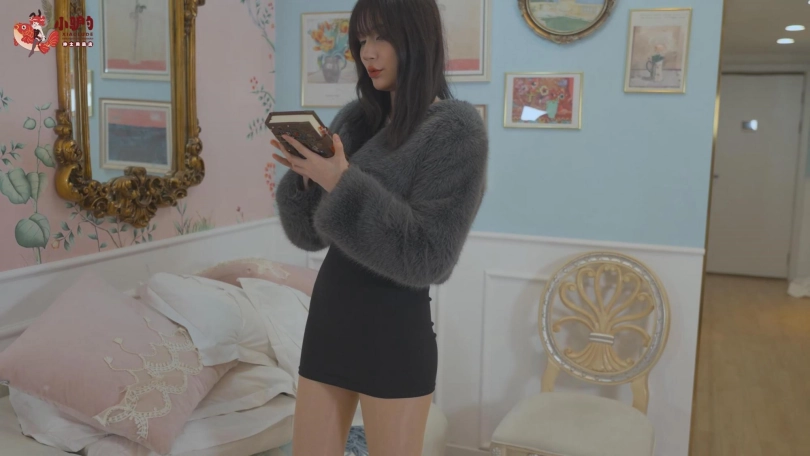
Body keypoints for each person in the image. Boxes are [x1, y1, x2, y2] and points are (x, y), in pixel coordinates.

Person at [272, 0, 488, 454]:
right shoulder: (355, 121)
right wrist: (306, 181)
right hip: (330, 319)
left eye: (382, 37)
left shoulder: (456, 130)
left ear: (418, 40)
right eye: (361, 39)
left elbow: (430, 256)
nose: (367, 53)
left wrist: (342, 182)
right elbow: (308, 234)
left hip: (394, 330)